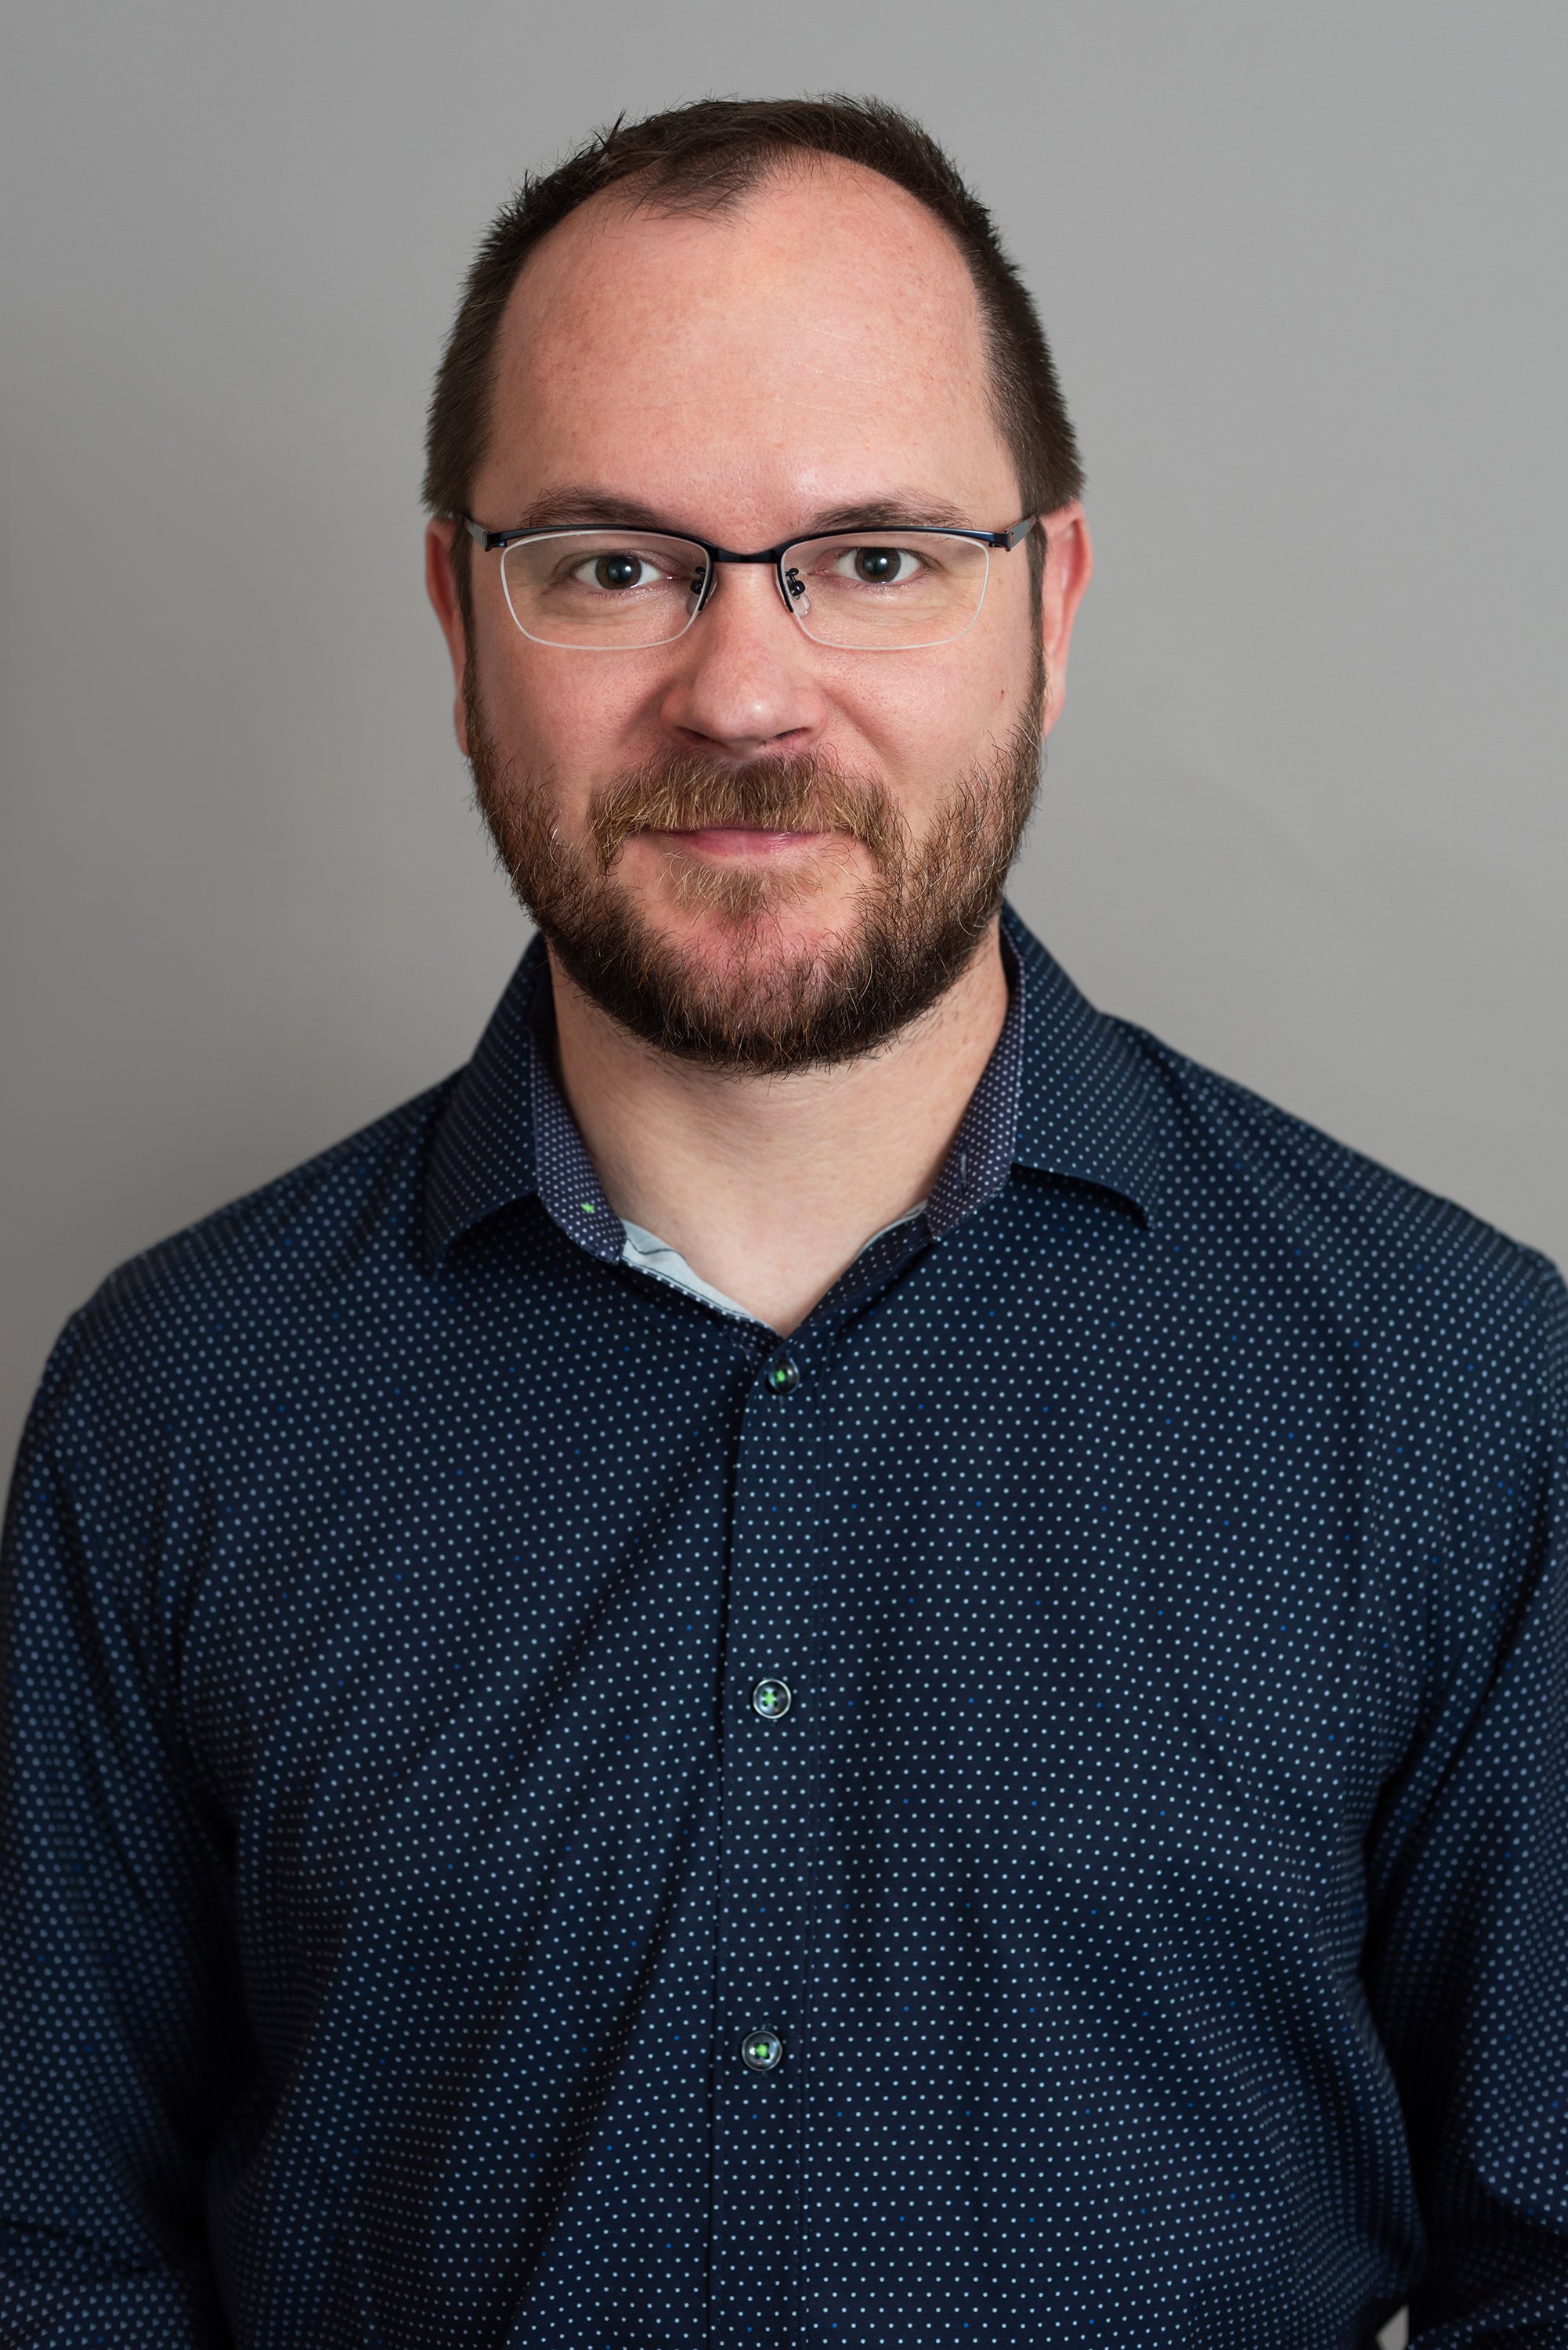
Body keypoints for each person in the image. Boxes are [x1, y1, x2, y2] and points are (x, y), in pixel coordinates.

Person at [0, 93, 1563, 2350]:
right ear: (462, 611)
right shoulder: (179, 1408)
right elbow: (46, 2257)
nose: (743, 691)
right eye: (612, 564)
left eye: (876, 557)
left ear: (1054, 598)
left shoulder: (1445, 1386)